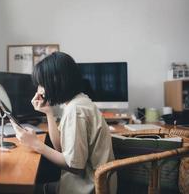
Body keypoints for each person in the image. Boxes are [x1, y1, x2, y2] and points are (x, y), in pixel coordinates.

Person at [11, 52, 116, 194]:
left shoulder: (76, 110)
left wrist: (36, 144)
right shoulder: (76, 102)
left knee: (25, 186)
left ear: (55, 81)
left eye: (42, 83)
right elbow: (61, 148)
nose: (39, 90)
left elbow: (75, 167)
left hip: (90, 187)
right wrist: (48, 112)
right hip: (90, 183)